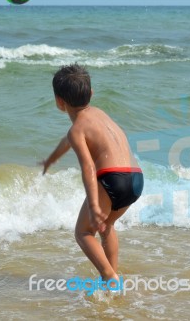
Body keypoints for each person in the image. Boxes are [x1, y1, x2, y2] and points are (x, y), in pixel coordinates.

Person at [40, 63, 143, 286]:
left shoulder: (77, 129)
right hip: (135, 178)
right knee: (108, 227)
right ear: (91, 93)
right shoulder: (99, 114)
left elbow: (88, 167)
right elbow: (68, 142)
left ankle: (109, 277)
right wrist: (51, 159)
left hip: (112, 178)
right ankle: (112, 280)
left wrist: (94, 205)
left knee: (83, 233)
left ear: (59, 102)